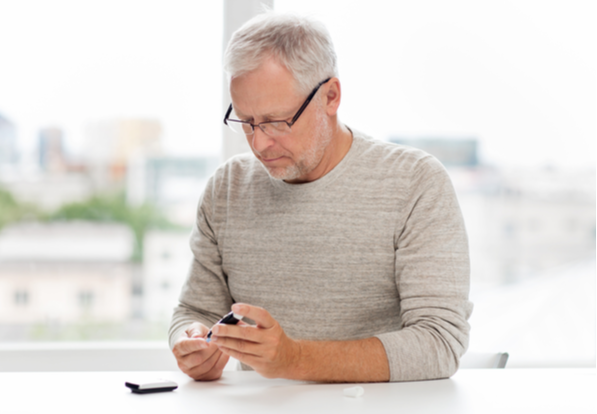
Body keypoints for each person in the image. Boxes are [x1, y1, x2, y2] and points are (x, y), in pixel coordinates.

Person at [169, 12, 472, 383]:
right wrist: (192, 341)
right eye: (246, 121)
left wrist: (294, 359)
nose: (259, 142)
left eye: (276, 121)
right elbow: (195, 310)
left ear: (331, 96)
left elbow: (439, 344)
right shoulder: (227, 188)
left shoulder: (414, 182)